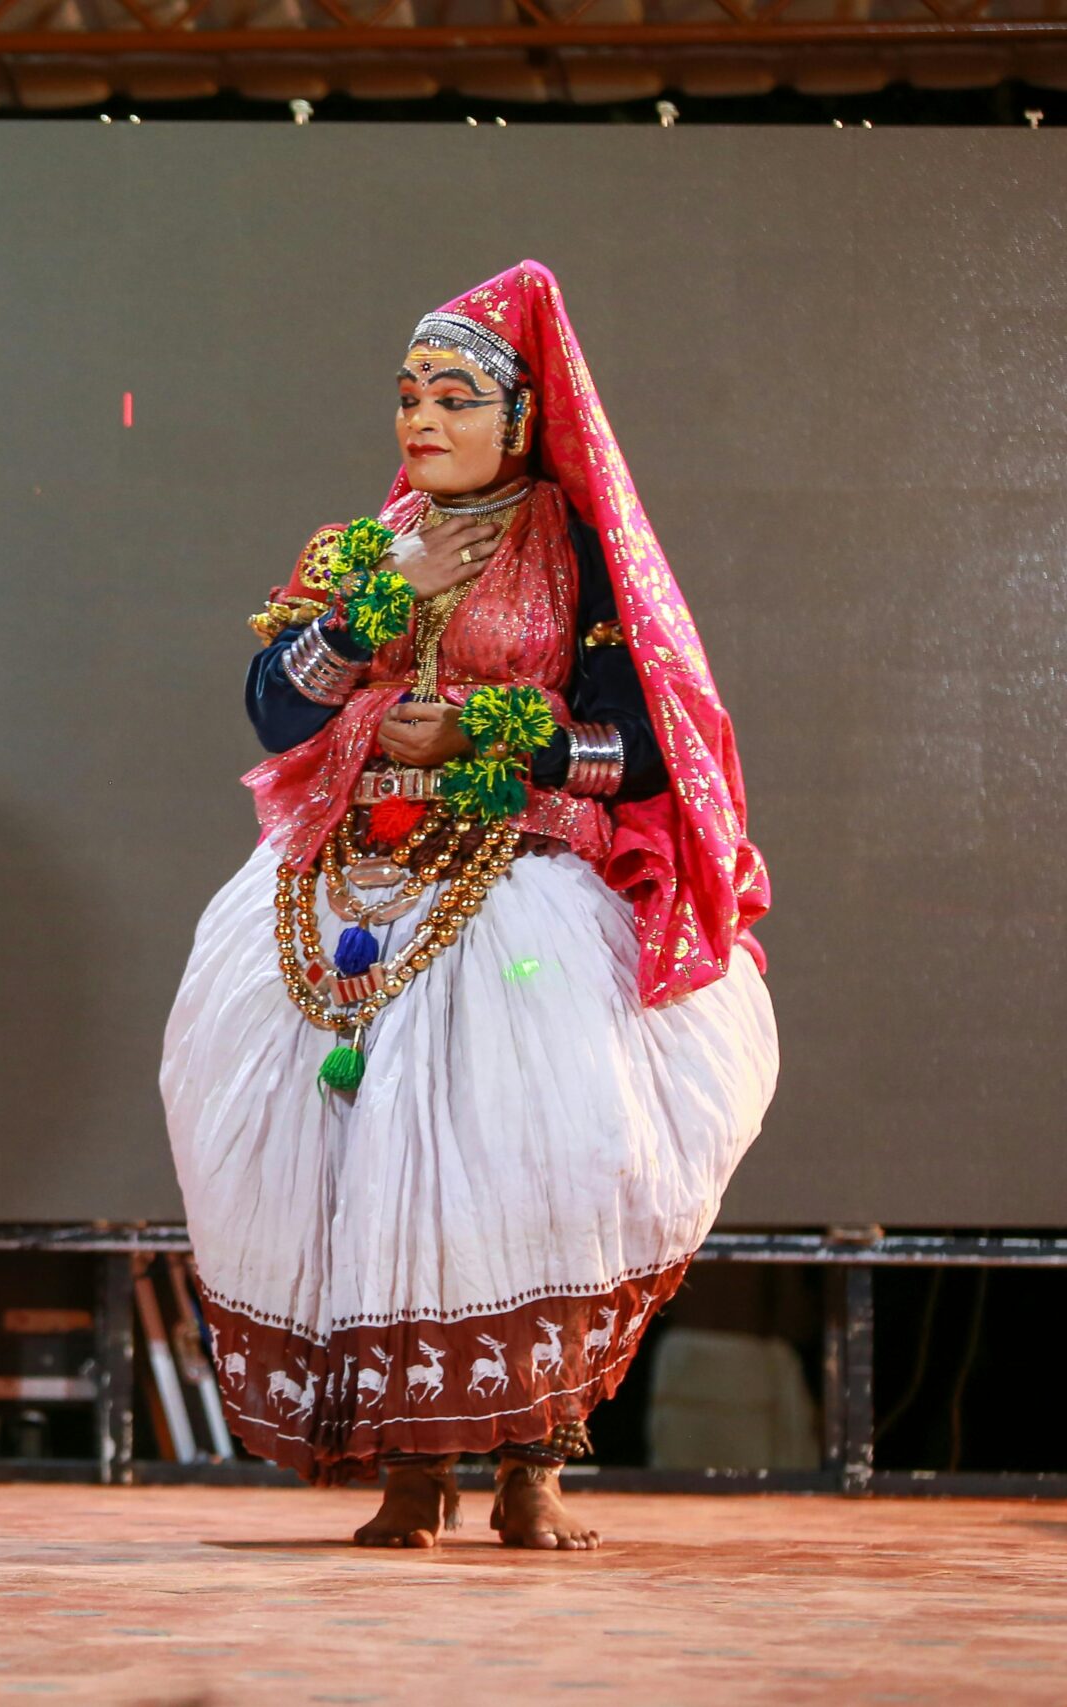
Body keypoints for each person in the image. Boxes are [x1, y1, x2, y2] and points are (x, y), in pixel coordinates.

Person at [160, 261, 777, 1549]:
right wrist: (380, 615)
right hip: (350, 893)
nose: (421, 421)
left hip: (524, 907)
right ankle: (408, 1474)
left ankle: (534, 1468)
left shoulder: (579, 554)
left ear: (521, 419)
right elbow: (277, 710)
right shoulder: (354, 548)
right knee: (351, 1165)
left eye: (453, 396)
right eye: (406, 398)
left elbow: (643, 748)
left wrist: (500, 737)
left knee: (537, 1165)